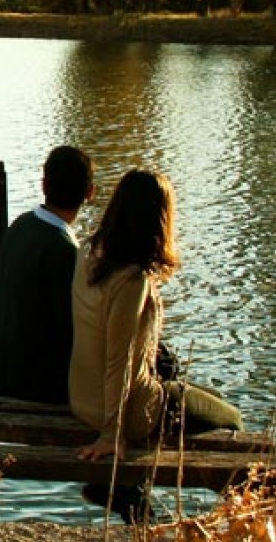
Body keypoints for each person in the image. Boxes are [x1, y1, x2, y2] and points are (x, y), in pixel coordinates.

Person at [70, 168, 242, 520]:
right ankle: (122, 489)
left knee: (205, 399)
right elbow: (119, 359)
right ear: (159, 219)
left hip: (81, 396)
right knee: (231, 418)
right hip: (129, 408)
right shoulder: (132, 279)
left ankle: (132, 493)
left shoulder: (88, 251)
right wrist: (112, 433)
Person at [0, 145, 94, 404]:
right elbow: (71, 329)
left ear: (44, 185)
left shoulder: (18, 226)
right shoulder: (65, 251)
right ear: (90, 193)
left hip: (4, 371)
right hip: (40, 385)